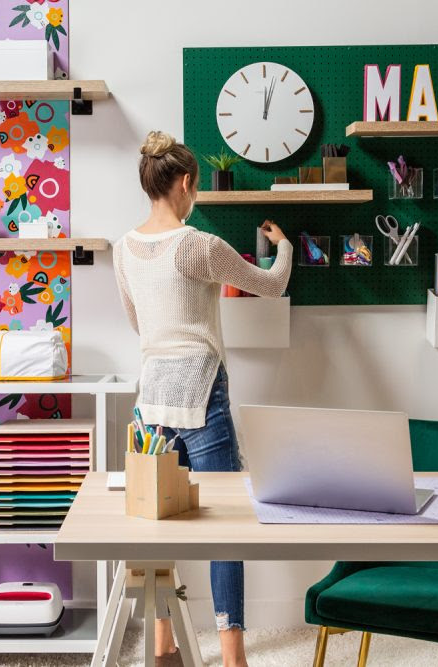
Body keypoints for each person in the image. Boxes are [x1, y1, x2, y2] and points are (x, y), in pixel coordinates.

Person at [113, 131, 293, 667]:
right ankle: (233, 656)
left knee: (157, 522)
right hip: (201, 392)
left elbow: (138, 322)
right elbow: (272, 285)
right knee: (226, 526)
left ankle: (163, 642)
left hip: (151, 400)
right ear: (187, 182)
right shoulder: (200, 246)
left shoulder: (124, 249)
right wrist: (284, 244)